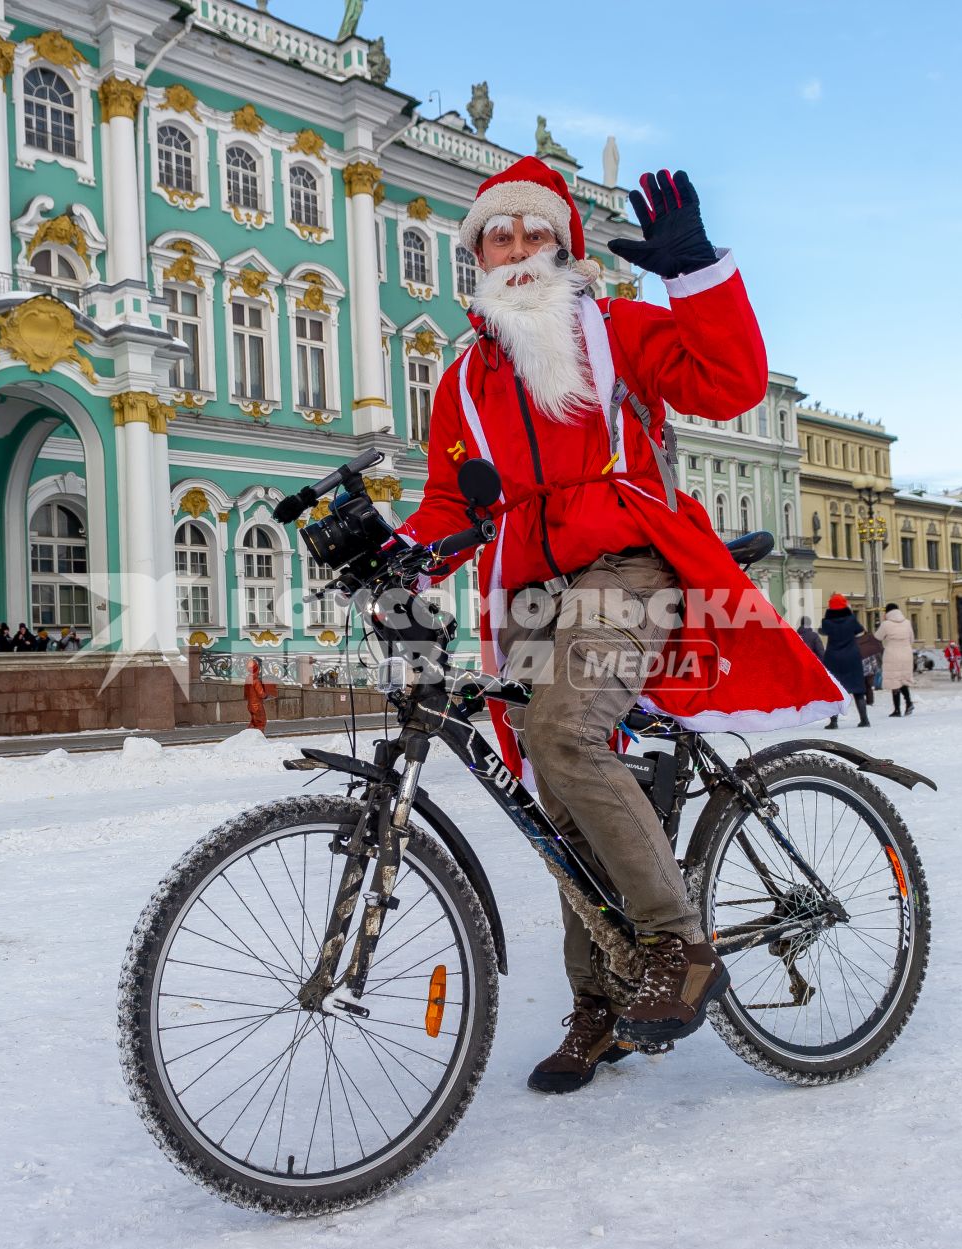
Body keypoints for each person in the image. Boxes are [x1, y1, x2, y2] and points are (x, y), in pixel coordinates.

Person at [392, 157, 841, 1092]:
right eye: (496, 236)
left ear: (563, 246)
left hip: (627, 565)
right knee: (552, 796)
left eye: (531, 233)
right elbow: (448, 503)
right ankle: (601, 1000)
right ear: (476, 255)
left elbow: (731, 380)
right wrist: (397, 558)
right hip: (527, 587)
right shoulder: (464, 382)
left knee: (562, 732)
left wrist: (695, 273)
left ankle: (677, 944)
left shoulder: (618, 330)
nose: (514, 249)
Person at [819, 594, 871, 729]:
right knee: (858, 689)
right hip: (852, 657)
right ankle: (864, 719)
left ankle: (834, 722)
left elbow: (822, 631)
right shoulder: (851, 620)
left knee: (835, 690)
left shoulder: (827, 622)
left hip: (834, 658)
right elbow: (860, 631)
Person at [876, 603, 916, 717]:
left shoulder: (886, 624)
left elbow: (877, 637)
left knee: (894, 681)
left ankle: (897, 710)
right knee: (903, 679)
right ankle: (909, 703)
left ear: (887, 612)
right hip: (906, 654)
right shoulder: (907, 622)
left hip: (892, 654)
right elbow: (912, 639)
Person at [244, 657, 272, 733]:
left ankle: (248, 736)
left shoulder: (248, 679)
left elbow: (246, 693)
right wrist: (266, 696)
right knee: (261, 722)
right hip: (257, 705)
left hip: (250, 705)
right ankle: (259, 739)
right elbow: (260, 693)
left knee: (253, 722)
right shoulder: (255, 680)